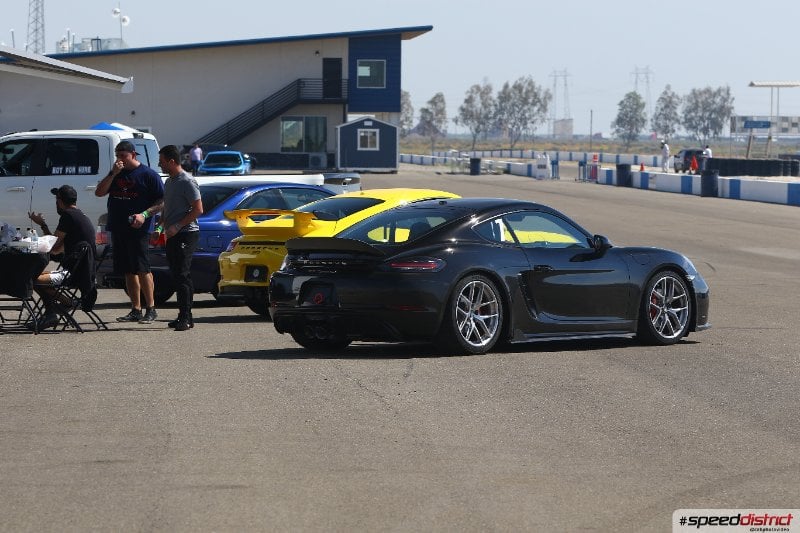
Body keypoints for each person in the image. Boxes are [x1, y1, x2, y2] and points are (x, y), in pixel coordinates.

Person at [95, 140, 164, 324]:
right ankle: (136, 308)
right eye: (117, 156)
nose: (120, 160)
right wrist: (112, 173)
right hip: (118, 227)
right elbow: (99, 192)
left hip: (139, 229)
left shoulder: (148, 174)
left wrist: (144, 214)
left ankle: (151, 308)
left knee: (142, 268)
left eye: (123, 156)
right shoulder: (116, 174)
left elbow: (162, 201)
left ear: (133, 155)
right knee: (128, 270)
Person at [27, 185, 96, 330]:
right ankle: (64, 304)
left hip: (74, 274)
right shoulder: (79, 215)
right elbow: (57, 249)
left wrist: (43, 225)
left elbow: (53, 247)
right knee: (38, 275)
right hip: (84, 273)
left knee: (33, 279)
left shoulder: (68, 216)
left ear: (59, 201)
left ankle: (52, 313)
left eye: (56, 200)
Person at [156, 145, 203, 331]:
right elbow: (167, 208)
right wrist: (160, 226)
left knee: (182, 275)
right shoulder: (169, 182)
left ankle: (186, 317)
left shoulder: (187, 181)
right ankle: (184, 315)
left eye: (162, 162)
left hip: (186, 233)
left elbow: (198, 209)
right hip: (172, 234)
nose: (160, 165)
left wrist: (178, 225)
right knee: (177, 275)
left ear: (172, 161)